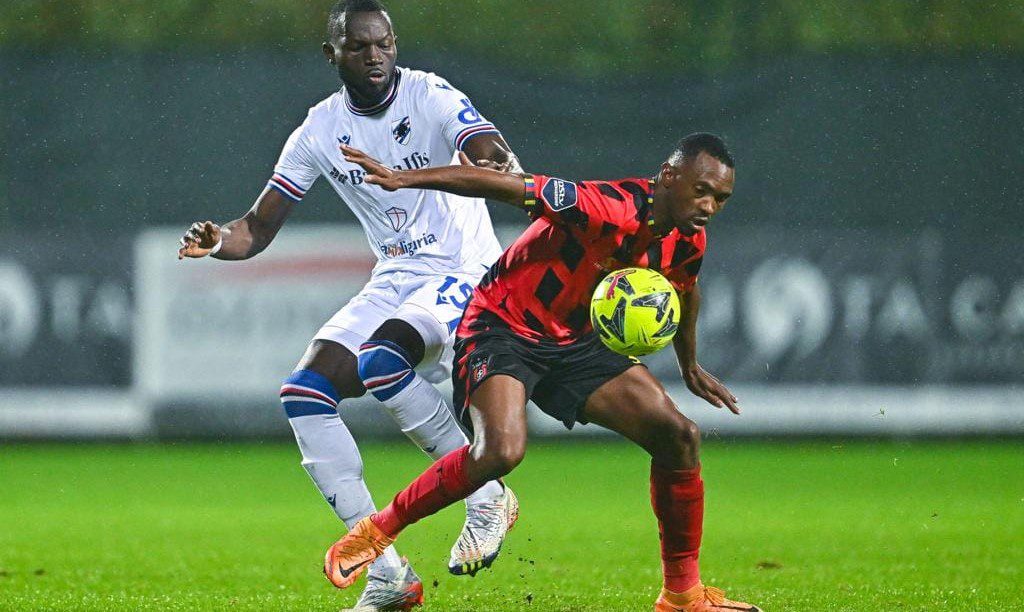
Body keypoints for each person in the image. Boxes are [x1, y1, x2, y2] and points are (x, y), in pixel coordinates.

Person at [322, 133, 761, 612]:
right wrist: (403, 178)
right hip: (502, 327)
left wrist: (689, 364)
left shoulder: (688, 238)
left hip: (575, 341)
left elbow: (685, 290)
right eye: (701, 190)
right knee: (500, 452)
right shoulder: (604, 206)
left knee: (678, 435)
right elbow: (506, 185)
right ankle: (378, 530)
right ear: (669, 176)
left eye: (720, 198)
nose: (709, 206)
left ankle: (682, 596)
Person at [177, 1, 519, 608]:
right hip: (395, 276)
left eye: (384, 43)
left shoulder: (430, 94)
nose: (376, 56)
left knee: (382, 360)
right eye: (359, 47)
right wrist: (218, 242)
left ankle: (485, 492)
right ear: (332, 54)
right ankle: (389, 571)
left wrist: (490, 159)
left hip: (465, 269)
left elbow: (486, 147)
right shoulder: (319, 130)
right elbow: (257, 227)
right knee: (304, 394)